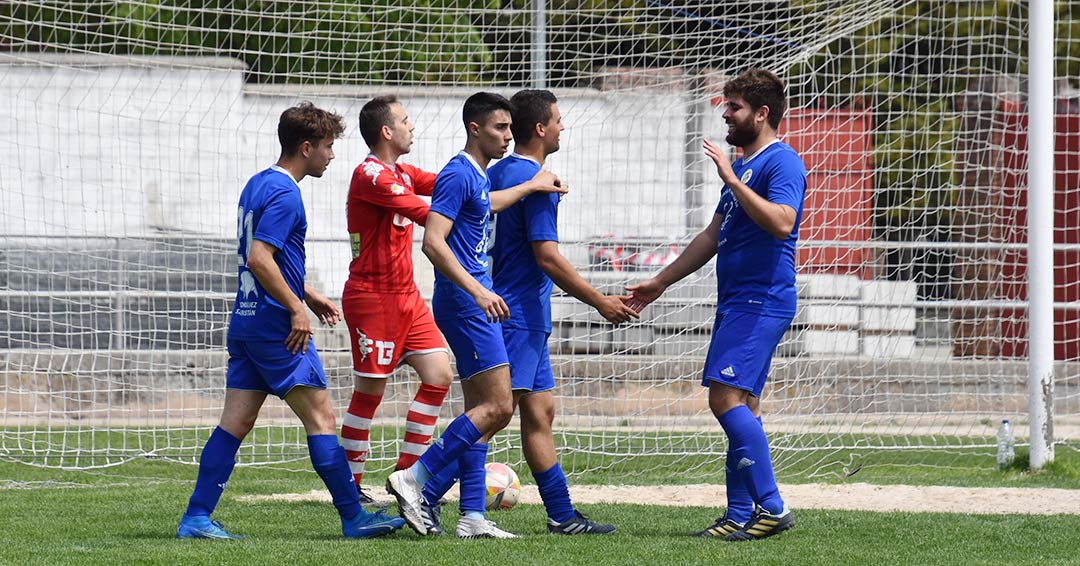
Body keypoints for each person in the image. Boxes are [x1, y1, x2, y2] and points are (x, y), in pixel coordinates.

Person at [176, 102, 405, 540]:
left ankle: (196, 518)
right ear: (306, 147)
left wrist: (307, 293)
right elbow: (261, 258)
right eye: (327, 147)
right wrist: (296, 309)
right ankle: (353, 517)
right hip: (276, 328)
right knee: (321, 417)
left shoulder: (257, 184)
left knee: (235, 423)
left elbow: (265, 257)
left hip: (246, 322)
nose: (332, 155)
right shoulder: (286, 193)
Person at [415, 89, 638, 535]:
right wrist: (600, 301)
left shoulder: (495, 173)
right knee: (493, 412)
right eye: (558, 119)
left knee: (540, 411)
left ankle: (560, 514)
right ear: (540, 128)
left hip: (520, 312)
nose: (562, 127)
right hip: (510, 311)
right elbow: (548, 256)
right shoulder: (536, 179)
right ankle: (428, 492)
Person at [626, 68, 805, 541]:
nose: (725, 114)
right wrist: (659, 283)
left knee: (723, 397)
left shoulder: (780, 163)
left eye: (735, 107)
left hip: (761, 300)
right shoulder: (745, 165)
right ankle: (739, 514)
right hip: (738, 300)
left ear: (762, 114)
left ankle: (771, 507)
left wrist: (731, 177)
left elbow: (783, 222)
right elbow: (713, 235)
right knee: (744, 402)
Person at [385, 92, 565, 539]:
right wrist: (478, 289)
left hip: (473, 301)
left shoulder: (477, 178)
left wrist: (529, 185)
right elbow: (433, 242)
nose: (508, 136)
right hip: (466, 304)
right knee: (498, 406)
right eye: (500, 128)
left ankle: (472, 517)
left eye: (510, 128)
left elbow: (489, 204)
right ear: (475, 129)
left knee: (487, 408)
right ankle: (416, 478)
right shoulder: (456, 173)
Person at [339, 95, 454, 509]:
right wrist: (479, 207)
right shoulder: (370, 175)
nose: (413, 126)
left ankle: (408, 476)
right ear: (387, 131)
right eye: (406, 120)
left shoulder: (402, 171)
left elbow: (446, 183)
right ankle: (349, 484)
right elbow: (427, 213)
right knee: (369, 394)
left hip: (408, 298)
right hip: (373, 299)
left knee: (439, 375)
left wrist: (506, 181)